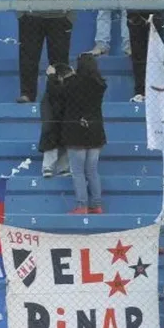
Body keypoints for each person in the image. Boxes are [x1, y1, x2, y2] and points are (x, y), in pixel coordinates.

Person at [63, 53, 107, 215]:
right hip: (95, 131)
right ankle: (96, 204)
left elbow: (62, 95)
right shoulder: (100, 84)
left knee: (78, 172)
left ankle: (82, 205)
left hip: (76, 131)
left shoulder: (72, 83)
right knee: (92, 171)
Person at [39, 62, 72, 178]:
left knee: (66, 144)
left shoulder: (67, 90)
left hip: (64, 122)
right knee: (51, 144)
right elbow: (54, 92)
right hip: (52, 122)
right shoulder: (51, 91)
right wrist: (51, 77)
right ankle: (48, 167)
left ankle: (63, 167)